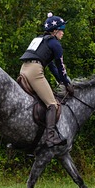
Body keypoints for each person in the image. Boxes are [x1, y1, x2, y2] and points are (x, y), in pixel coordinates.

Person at [19, 12, 75, 147]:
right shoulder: (55, 44)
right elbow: (61, 68)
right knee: (52, 105)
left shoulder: (40, 40)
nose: (63, 33)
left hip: (23, 69)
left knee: (36, 102)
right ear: (54, 31)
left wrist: (61, 81)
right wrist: (67, 84)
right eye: (62, 30)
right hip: (34, 72)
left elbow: (51, 67)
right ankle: (50, 137)